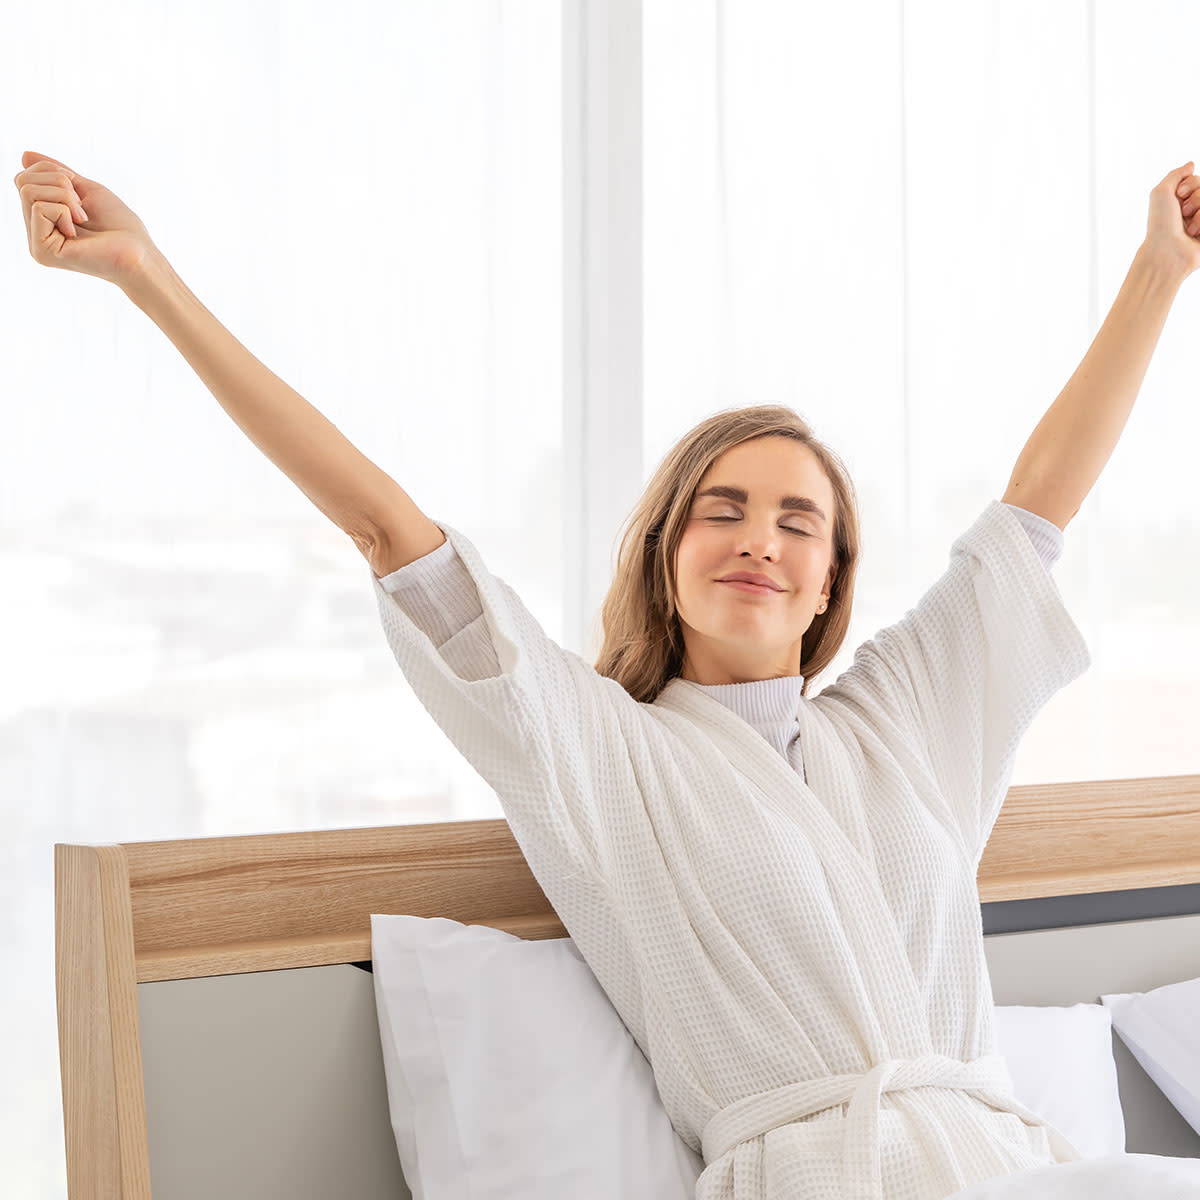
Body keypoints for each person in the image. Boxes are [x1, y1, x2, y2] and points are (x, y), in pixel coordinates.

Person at [15, 151, 1200, 1199]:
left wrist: (1161, 271)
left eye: (798, 523)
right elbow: (386, 530)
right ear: (663, 554)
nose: (759, 541)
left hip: (1016, 1168)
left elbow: (1039, 504)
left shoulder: (911, 716)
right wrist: (147, 278)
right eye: (720, 512)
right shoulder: (603, 755)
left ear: (833, 578)